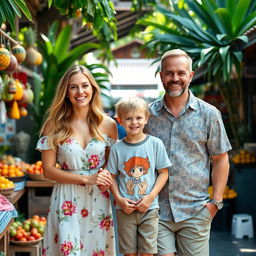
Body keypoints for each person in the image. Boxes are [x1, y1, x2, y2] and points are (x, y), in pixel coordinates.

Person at [145, 49, 232, 256]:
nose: (175, 78)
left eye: (181, 73)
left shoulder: (209, 114)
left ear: (190, 76)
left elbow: (220, 159)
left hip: (196, 210)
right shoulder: (147, 115)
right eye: (169, 73)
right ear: (161, 76)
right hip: (157, 211)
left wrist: (215, 203)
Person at [36, 65, 117, 256]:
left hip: (98, 198)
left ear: (93, 89)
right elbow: (48, 170)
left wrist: (106, 176)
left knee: (96, 249)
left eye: (85, 86)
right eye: (73, 87)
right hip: (66, 198)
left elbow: (112, 164)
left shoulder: (108, 124)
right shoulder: (54, 124)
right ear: (66, 92)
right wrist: (86, 179)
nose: (80, 92)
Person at [106, 96, 171, 256]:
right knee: (129, 253)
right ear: (120, 121)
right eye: (128, 118)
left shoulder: (155, 144)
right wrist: (119, 199)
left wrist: (150, 197)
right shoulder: (116, 149)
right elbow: (111, 177)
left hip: (149, 208)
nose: (134, 122)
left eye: (138, 117)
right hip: (124, 210)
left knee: (147, 252)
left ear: (146, 119)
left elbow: (164, 173)